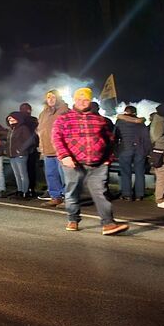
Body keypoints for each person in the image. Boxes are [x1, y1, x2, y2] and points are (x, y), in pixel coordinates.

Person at [52, 88, 129, 235]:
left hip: (97, 164)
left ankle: (108, 224)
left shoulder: (99, 119)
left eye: (86, 99)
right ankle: (73, 219)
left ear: (90, 101)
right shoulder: (64, 118)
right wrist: (64, 156)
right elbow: (57, 138)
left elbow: (110, 140)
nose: (82, 102)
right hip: (73, 163)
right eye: (79, 99)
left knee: (101, 193)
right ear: (74, 100)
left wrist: (107, 159)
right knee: (72, 192)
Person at [37, 90, 68, 207]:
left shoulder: (64, 111)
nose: (50, 99)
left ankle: (68, 198)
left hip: (61, 150)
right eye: (48, 97)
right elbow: (40, 131)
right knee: (51, 174)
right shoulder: (43, 113)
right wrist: (41, 148)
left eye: (53, 97)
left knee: (65, 175)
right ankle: (56, 197)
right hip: (47, 150)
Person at [114, 105, 150, 201]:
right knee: (140, 172)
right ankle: (139, 195)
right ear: (135, 112)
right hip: (140, 150)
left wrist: (116, 150)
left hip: (125, 149)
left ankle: (127, 194)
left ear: (125, 112)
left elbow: (115, 136)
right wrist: (146, 151)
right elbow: (146, 138)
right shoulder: (141, 123)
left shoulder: (120, 122)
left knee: (125, 172)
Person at [7, 111, 37, 198]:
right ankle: (20, 191)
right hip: (12, 155)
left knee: (23, 174)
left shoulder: (23, 128)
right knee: (17, 175)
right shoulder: (11, 129)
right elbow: (9, 142)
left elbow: (29, 141)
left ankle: (25, 192)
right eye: (9, 119)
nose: (10, 120)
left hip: (20, 155)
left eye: (12, 118)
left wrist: (20, 150)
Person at [19, 102, 40, 194]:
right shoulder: (33, 120)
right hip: (28, 148)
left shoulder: (23, 121)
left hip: (28, 149)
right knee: (28, 169)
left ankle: (27, 189)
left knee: (27, 170)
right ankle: (28, 188)